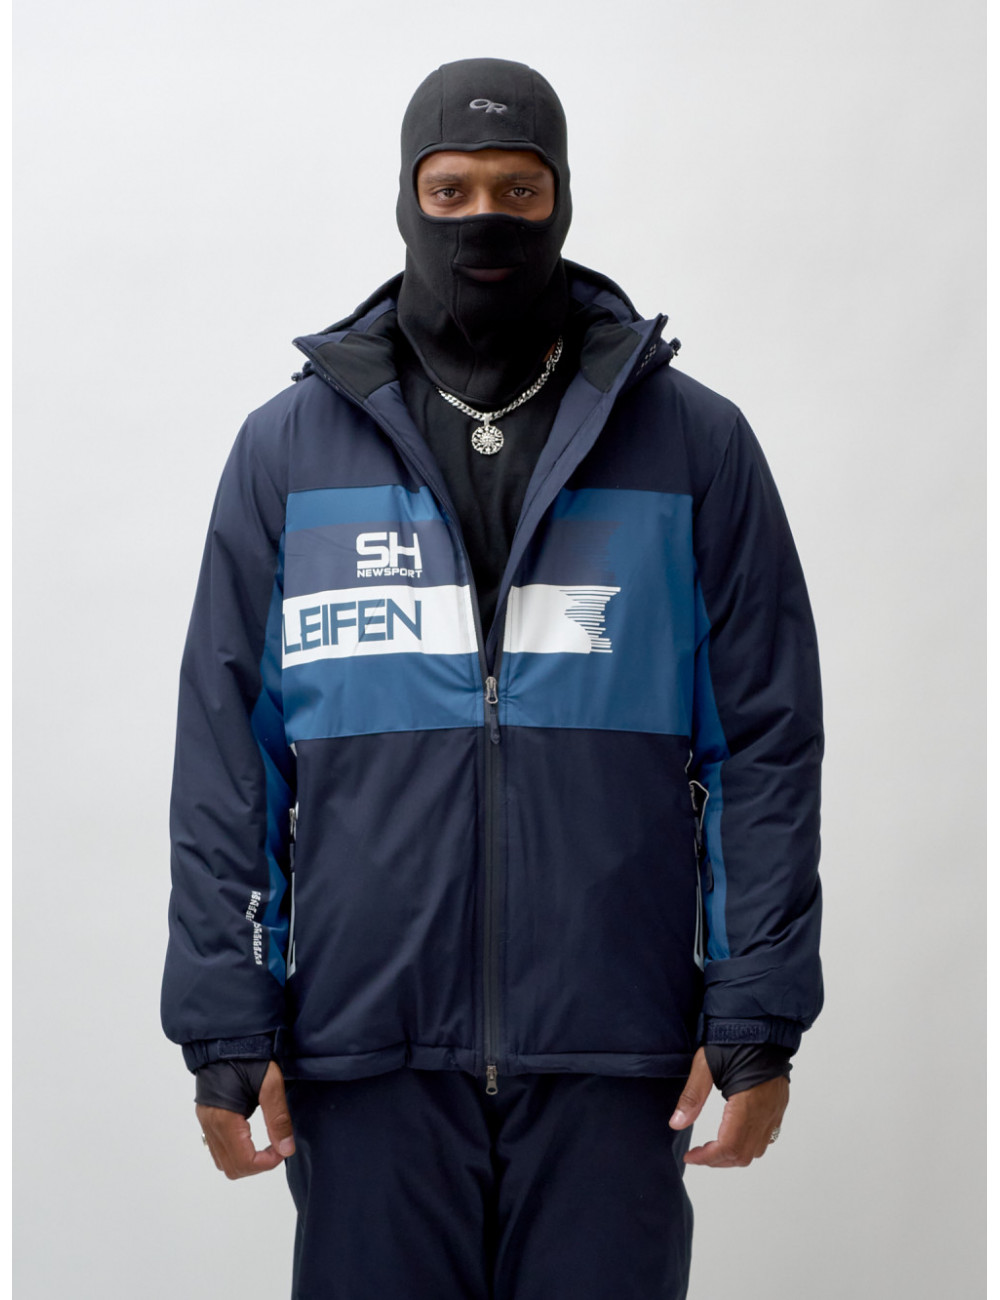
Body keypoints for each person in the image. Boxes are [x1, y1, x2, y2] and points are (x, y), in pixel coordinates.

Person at [161, 56, 823, 1299]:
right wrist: (226, 1015)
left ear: (563, 197)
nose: (485, 219)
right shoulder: (287, 452)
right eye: (451, 188)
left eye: (520, 190)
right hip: (363, 1052)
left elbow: (763, 747)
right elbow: (229, 758)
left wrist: (755, 1009)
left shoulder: (694, 444)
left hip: (615, 1052)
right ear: (405, 197)